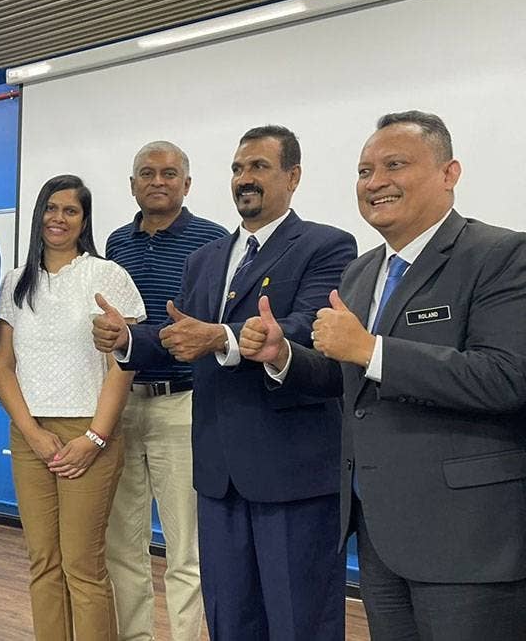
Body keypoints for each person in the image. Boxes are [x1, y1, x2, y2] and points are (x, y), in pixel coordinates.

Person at [241, 111, 526, 640]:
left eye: (395, 165)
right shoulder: (362, 269)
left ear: (449, 173)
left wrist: (373, 349)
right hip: (377, 531)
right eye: (364, 170)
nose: (375, 182)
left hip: (467, 539)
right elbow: (348, 377)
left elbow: (507, 377)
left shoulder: (501, 255)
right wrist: (285, 357)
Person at [94, 126, 357, 640]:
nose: (245, 179)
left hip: (289, 472)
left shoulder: (326, 244)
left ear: (293, 176)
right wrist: (128, 339)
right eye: (238, 169)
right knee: (231, 618)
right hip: (217, 471)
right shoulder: (207, 259)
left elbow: (309, 328)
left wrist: (222, 337)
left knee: (298, 619)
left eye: (259, 166)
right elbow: (181, 338)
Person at [0, 174, 144, 641]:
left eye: (70, 211)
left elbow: (125, 362)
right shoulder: (16, 282)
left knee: (82, 563)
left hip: (90, 432)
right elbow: (2, 366)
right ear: (39, 216)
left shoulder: (107, 275)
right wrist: (32, 433)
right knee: (44, 561)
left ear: (84, 220)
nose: (58, 219)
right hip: (30, 432)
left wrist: (95, 438)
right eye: (51, 209)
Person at [103, 141, 226, 641]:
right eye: (147, 173)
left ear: (187, 184)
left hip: (184, 404)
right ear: (133, 185)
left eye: (169, 173)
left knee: (185, 549)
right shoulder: (114, 243)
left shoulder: (214, 240)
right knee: (123, 546)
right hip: (122, 404)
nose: (158, 181)